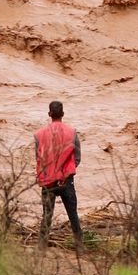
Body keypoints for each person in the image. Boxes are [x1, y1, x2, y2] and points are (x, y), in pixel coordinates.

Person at [35, 100, 83, 250]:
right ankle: (80, 247)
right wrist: (66, 173)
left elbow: (38, 158)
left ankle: (42, 248)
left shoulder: (38, 135)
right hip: (66, 180)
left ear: (49, 114)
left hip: (48, 181)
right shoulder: (72, 132)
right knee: (73, 215)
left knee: (47, 216)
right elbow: (77, 158)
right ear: (63, 114)